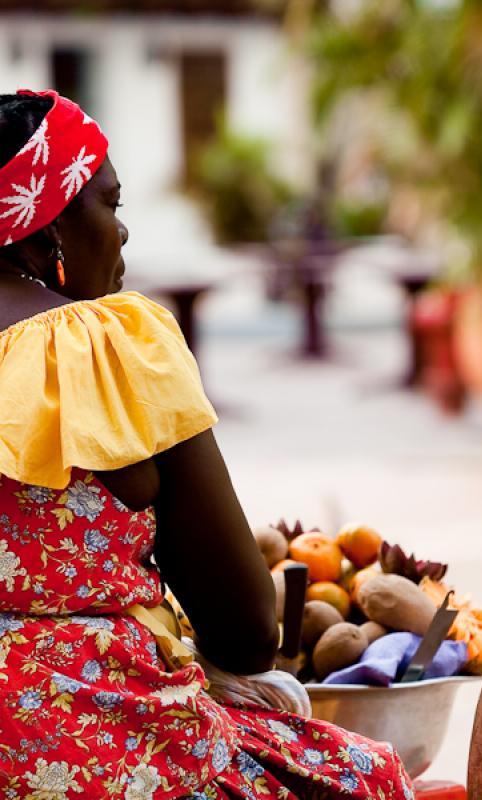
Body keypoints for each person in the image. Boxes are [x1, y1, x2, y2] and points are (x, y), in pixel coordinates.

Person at [0, 89, 413, 800]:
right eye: (111, 206)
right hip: (105, 751)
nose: (122, 235)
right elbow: (247, 630)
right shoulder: (105, 345)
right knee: (362, 775)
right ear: (47, 228)